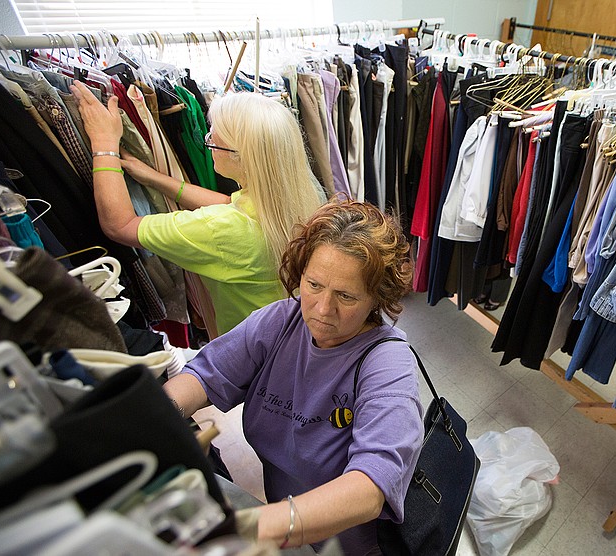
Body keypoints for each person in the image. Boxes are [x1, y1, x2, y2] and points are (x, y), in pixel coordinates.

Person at [163, 200, 424, 555]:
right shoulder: (280, 322)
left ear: (377, 297)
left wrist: (255, 527)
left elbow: (370, 485)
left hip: (353, 545)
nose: (321, 309)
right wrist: (160, 417)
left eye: (345, 296)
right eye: (314, 284)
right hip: (292, 527)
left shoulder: (387, 363)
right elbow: (205, 375)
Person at [69, 81, 325, 335]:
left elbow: (119, 225)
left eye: (213, 138)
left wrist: (104, 144)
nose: (209, 141)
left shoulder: (221, 229)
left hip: (250, 360)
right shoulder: (302, 195)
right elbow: (227, 203)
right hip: (293, 337)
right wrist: (156, 178)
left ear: (239, 156)